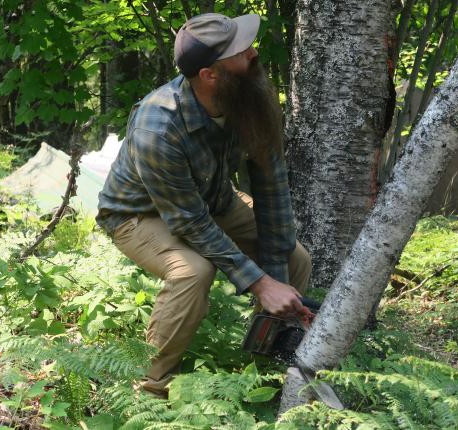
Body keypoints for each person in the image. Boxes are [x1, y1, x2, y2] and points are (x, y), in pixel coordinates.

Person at [96, 12, 311, 397]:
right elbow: (190, 223)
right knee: (193, 271)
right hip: (139, 214)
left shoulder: (246, 96)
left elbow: (271, 184)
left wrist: (275, 273)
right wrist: (261, 284)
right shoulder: (158, 127)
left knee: (295, 259)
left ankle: (265, 366)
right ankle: (152, 388)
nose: (254, 54)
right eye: (242, 52)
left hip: (212, 202)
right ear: (212, 74)